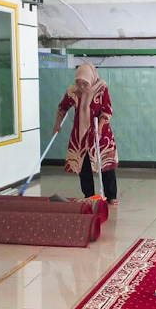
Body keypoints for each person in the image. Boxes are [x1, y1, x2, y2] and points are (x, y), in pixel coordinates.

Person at [54, 63, 119, 205]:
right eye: (79, 83)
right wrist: (57, 124)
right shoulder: (73, 91)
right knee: (84, 167)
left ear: (91, 78)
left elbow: (107, 110)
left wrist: (100, 127)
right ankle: (89, 195)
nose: (82, 87)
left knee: (106, 166)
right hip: (81, 135)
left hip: (101, 134)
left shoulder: (101, 88)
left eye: (85, 83)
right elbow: (63, 107)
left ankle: (111, 196)